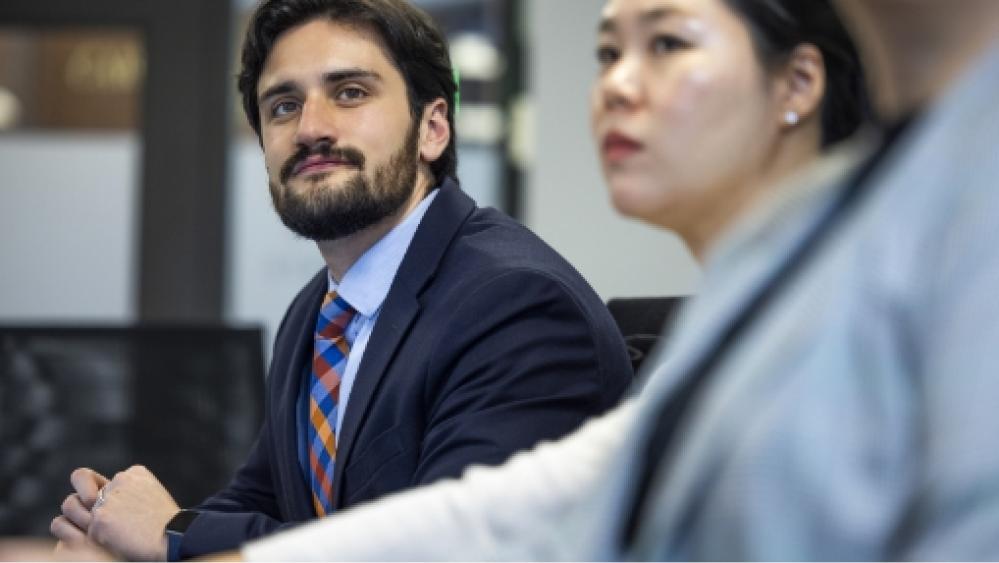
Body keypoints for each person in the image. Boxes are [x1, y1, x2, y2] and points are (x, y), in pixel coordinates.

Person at [221, 0, 999, 558]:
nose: (617, 85)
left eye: (666, 43)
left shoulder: (948, 218)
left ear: (796, 84)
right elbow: (540, 501)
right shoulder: (766, 273)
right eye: (605, 53)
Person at [46, 0, 633, 560]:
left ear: (433, 128)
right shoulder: (321, 311)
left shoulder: (515, 305)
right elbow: (262, 500)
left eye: (350, 93)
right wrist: (119, 536)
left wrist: (175, 535)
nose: (310, 128)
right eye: (282, 106)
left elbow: (445, 552)